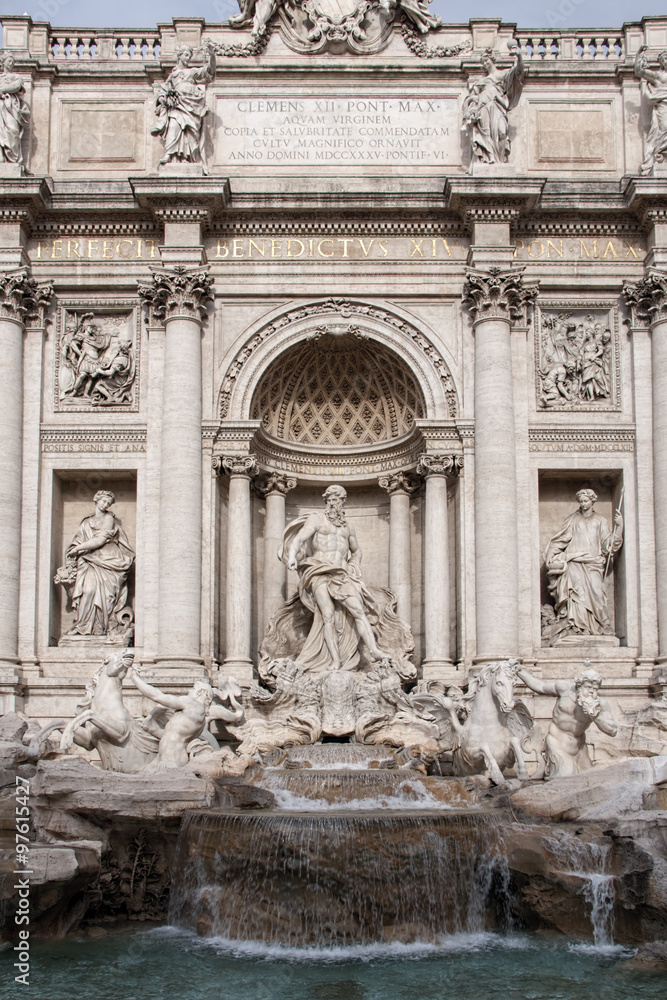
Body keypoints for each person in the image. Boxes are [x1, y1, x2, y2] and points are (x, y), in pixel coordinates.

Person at [282, 484, 390, 673]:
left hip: (341, 575)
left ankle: (373, 650)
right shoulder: (317, 519)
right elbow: (298, 539)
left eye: (337, 500)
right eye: (330, 499)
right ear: (326, 501)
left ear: (343, 502)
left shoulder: (348, 527)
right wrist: (292, 556)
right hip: (319, 572)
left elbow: (356, 551)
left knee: (358, 610)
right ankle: (335, 660)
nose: (333, 503)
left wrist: (353, 566)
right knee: (328, 616)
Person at [543, 488, 623, 641]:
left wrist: (619, 527)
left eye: (586, 501)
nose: (583, 504)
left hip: (593, 563)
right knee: (575, 595)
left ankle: (601, 625)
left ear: (593, 501)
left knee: (597, 593)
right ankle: (576, 627)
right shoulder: (573, 519)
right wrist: (552, 554)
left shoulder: (600, 520)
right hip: (574, 563)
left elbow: (609, 545)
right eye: (581, 501)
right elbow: (561, 540)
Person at [516, 662, 617, 778]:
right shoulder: (564, 689)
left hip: (579, 748)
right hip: (557, 743)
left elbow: (612, 730)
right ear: (579, 686)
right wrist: (519, 672)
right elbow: (540, 687)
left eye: (595, 689)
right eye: (588, 687)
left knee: (587, 779)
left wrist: (595, 716)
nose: (591, 692)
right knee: (565, 778)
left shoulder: (600, 704)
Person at [130, 668, 243, 770]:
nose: (189, 691)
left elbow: (158, 696)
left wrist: (135, 678)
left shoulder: (192, 704)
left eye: (193, 689)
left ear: (201, 692)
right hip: (166, 759)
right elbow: (171, 735)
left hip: (171, 760)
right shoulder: (201, 719)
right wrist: (151, 730)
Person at [57, 490, 135, 637]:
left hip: (107, 560)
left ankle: (101, 628)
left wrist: (77, 549)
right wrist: (75, 551)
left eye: (108, 503)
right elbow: (78, 540)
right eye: (103, 501)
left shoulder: (108, 519)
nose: (105, 505)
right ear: (96, 499)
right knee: (87, 592)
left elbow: (99, 541)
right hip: (88, 561)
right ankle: (83, 626)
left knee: (104, 597)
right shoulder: (86, 522)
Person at [152, 42, 216, 174]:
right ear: (179, 56)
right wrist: (163, 98)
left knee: (191, 132)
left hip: (191, 106)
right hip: (177, 105)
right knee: (174, 127)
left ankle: (189, 157)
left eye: (189, 55)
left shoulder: (192, 72)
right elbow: (163, 90)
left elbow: (209, 71)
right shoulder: (173, 75)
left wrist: (212, 56)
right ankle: (170, 154)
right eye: (186, 55)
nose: (188, 58)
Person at [461, 41, 524, 164]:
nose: (485, 63)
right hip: (483, 107)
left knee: (501, 131)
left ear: (492, 60)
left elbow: (519, 72)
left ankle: (500, 159)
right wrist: (471, 108)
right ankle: (490, 157)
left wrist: (519, 56)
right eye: (483, 62)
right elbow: (471, 98)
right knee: (486, 133)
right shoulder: (481, 81)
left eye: (486, 60)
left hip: (497, 106)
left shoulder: (502, 74)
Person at [634, 46, 667, 176]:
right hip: (664, 106)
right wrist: (638, 55)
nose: (666, 60)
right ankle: (660, 155)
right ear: (661, 62)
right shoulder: (658, 76)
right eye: (664, 59)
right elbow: (639, 71)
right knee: (664, 129)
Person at [0, 53, 29, 168]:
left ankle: (13, 158)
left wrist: (1, 90)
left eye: (12, 61)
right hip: (0, 106)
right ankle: (2, 158)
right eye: (9, 61)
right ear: (3, 62)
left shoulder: (17, 76)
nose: (11, 63)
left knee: (13, 130)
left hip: (11, 107)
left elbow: (16, 86)